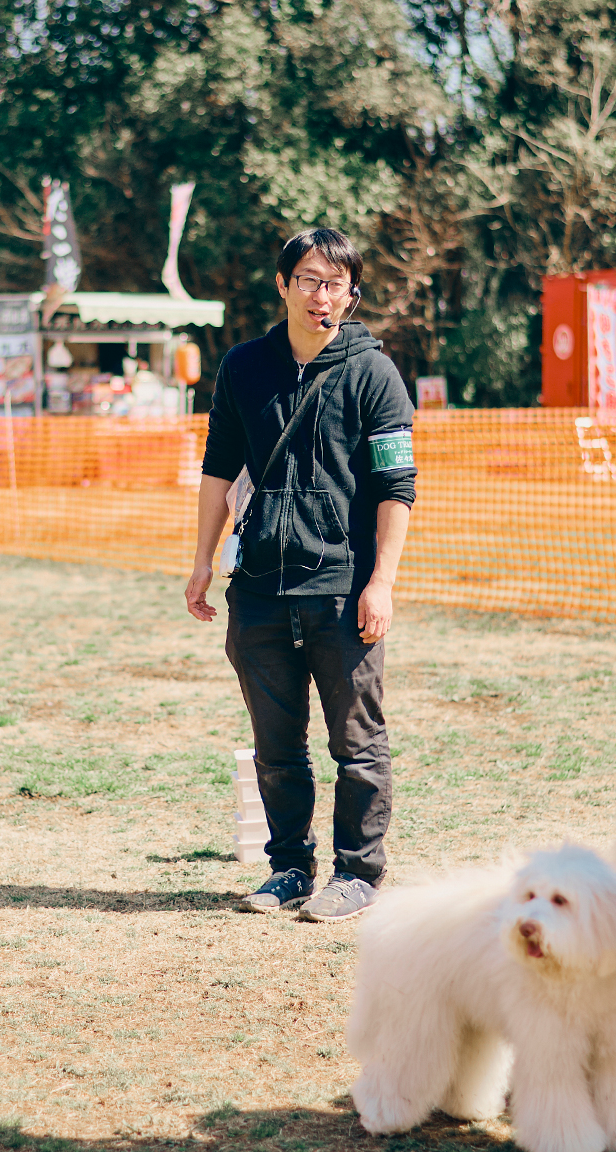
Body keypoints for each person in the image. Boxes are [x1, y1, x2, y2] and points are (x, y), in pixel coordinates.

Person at [185, 228, 416, 923]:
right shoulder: (243, 366)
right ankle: (289, 867)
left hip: (343, 591)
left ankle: (357, 874)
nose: (324, 295)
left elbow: (396, 486)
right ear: (283, 285)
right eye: (311, 280)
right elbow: (219, 465)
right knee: (276, 747)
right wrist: (201, 560)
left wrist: (382, 582)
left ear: (351, 295)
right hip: (258, 588)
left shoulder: (374, 373)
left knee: (357, 745)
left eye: (337, 285)